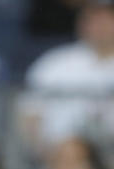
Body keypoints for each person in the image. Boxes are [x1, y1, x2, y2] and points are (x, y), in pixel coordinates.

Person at [23, 0, 114, 149]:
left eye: (107, 19)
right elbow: (29, 112)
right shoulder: (54, 63)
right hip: (60, 155)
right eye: (93, 19)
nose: (100, 26)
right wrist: (42, 153)